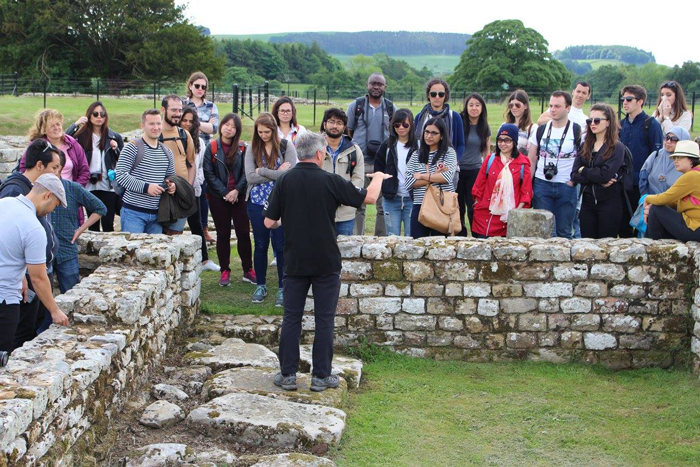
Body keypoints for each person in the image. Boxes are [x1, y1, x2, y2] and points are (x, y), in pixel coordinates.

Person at [263, 132, 388, 392]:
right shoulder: (331, 180)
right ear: (320, 154)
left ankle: (287, 374)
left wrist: (288, 217)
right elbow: (370, 198)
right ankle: (321, 375)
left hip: (295, 261)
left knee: (291, 318)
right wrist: (377, 178)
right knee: (324, 318)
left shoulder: (285, 180)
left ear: (299, 153)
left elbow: (269, 222)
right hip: (326, 261)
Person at [0, 140, 62, 348]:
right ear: (47, 195)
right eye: (55, 204)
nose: (53, 210)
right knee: (6, 355)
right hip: (6, 301)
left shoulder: (5, 203)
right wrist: (55, 310)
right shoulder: (34, 228)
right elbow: (38, 277)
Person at [42, 162, 106, 333]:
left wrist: (80, 230)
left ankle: (72, 331)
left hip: (66, 249)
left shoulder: (72, 188)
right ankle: (42, 332)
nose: (55, 171)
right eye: (52, 168)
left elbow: (100, 207)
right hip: (42, 253)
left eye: (57, 168)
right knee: (42, 300)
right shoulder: (38, 190)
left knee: (72, 295)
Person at [245, 113, 297, 306]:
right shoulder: (252, 148)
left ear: (274, 130)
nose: (264, 135)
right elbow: (250, 177)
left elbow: (289, 175)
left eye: (267, 132)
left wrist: (263, 171)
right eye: (260, 132)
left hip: (281, 202)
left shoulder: (286, 145)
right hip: (256, 202)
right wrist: (276, 173)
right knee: (260, 244)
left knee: (281, 245)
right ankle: (261, 284)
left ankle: (283, 287)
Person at [203, 113, 255, 287]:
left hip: (239, 197)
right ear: (221, 126)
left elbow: (247, 173)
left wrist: (237, 191)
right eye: (226, 124)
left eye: (233, 126)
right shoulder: (211, 147)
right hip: (219, 197)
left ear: (237, 130)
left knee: (243, 233)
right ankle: (225, 270)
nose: (228, 128)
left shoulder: (243, 148)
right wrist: (225, 192)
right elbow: (208, 174)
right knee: (223, 234)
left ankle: (248, 269)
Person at [347, 73, 396, 236]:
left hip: (382, 163)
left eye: (380, 84)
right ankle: (357, 239)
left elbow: (395, 132)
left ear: (385, 87)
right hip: (360, 161)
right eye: (373, 83)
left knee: (383, 205)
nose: (376, 87)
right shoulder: (357, 105)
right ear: (367, 85)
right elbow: (350, 131)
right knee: (358, 203)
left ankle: (380, 240)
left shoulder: (390, 108)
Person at [527, 91, 582, 239]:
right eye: (551, 106)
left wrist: (574, 181)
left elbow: (583, 159)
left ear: (568, 108)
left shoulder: (576, 131)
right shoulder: (541, 130)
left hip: (566, 185)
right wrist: (528, 184)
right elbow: (531, 158)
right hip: (542, 184)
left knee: (564, 231)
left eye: (557, 106)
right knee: (543, 232)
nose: (552, 109)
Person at [115, 109, 176, 234]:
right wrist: (146, 187)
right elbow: (120, 175)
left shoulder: (167, 152)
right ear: (142, 126)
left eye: (158, 123)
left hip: (157, 215)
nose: (156, 127)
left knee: (155, 253)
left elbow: (171, 176)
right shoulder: (132, 147)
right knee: (131, 251)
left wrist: (172, 186)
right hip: (133, 213)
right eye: (151, 124)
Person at [66, 101, 124, 232]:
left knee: (108, 220)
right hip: (89, 182)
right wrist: (75, 124)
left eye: (102, 114)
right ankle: (93, 248)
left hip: (107, 183)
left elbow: (122, 160)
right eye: (95, 114)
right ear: (89, 116)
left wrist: (115, 149)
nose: (99, 117)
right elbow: (64, 140)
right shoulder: (81, 136)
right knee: (93, 221)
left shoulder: (114, 136)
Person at [570, 104, 626, 239]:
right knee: (588, 245)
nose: (592, 124)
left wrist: (584, 170)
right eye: (590, 121)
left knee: (605, 245)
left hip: (609, 203)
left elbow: (604, 175)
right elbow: (574, 175)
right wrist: (597, 180)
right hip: (587, 203)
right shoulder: (585, 145)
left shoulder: (617, 147)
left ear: (608, 122)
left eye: (597, 120)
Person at [471, 124, 532, 238]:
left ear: (514, 141)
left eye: (507, 140)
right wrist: (478, 203)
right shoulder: (490, 159)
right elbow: (479, 185)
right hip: (485, 215)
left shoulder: (523, 163)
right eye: (500, 140)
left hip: (507, 217)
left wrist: (516, 214)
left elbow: (526, 191)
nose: (503, 144)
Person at [619, 85, 664, 237]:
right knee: (622, 225)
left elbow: (657, 156)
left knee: (642, 226)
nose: (625, 102)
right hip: (621, 184)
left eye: (629, 99)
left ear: (640, 101)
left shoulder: (651, 125)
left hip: (642, 185)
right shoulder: (620, 125)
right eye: (623, 99)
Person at [405, 117, 458, 239]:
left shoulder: (449, 153)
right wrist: (435, 176)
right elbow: (408, 182)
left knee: (440, 248)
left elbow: (447, 177)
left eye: (434, 133)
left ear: (442, 136)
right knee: (417, 246)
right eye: (427, 132)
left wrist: (422, 176)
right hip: (420, 205)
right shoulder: (416, 155)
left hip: (442, 205)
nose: (429, 136)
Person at [180, 107, 218, 272]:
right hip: (174, 189)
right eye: (184, 120)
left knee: (197, 224)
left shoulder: (200, 142)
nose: (187, 124)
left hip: (193, 188)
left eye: (191, 121)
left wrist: (197, 183)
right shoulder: (172, 138)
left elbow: (201, 166)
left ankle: (204, 260)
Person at [183, 71, 219, 244]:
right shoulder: (183, 103)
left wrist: (193, 122)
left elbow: (215, 128)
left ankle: (203, 228)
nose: (200, 89)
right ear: (190, 85)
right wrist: (203, 124)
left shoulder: (211, 106)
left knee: (203, 190)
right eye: (197, 85)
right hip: (183, 147)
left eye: (203, 87)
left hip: (203, 150)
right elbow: (178, 123)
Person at [320, 108, 365, 236]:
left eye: (339, 123)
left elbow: (358, 180)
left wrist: (342, 196)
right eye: (331, 122)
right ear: (325, 124)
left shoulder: (354, 150)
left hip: (345, 214)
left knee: (344, 253)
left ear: (344, 126)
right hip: (320, 212)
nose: (335, 126)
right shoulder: (315, 147)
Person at [644, 141, 700, 241]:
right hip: (695, 226)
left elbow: (665, 198)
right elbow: (673, 201)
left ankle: (651, 246)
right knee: (656, 207)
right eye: (674, 157)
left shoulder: (692, 176)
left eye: (680, 157)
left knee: (656, 209)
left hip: (695, 228)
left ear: (691, 159)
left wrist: (647, 198)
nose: (675, 161)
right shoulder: (696, 173)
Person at [375, 109, 418, 236]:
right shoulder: (386, 146)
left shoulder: (419, 146)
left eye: (405, 125)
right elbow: (378, 168)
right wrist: (384, 185)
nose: (401, 128)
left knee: (412, 237)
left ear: (412, 125)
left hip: (413, 198)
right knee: (392, 236)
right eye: (397, 124)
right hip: (391, 198)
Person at [21, 109, 90, 187]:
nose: (56, 128)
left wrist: (74, 189)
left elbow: (84, 171)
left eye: (58, 124)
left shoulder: (73, 144)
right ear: (44, 129)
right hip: (43, 193)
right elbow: (24, 168)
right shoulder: (36, 146)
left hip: (69, 192)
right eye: (52, 126)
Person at [159, 95, 196, 235]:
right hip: (161, 194)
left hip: (181, 195)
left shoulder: (184, 134)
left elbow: (191, 163)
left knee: (176, 236)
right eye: (174, 110)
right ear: (163, 109)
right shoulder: (155, 134)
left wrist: (188, 187)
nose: (178, 114)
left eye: (180, 110)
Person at [458, 93, 491, 235]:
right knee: (458, 206)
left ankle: (476, 235)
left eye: (477, 105)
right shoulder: (459, 122)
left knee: (473, 206)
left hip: (475, 171)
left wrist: (488, 171)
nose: (474, 108)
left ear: (482, 108)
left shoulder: (484, 126)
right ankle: (459, 235)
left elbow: (487, 152)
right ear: (466, 107)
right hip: (458, 170)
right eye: (471, 105)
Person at [640, 126, 691, 196]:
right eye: (667, 137)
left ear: (683, 141)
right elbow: (643, 177)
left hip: (673, 204)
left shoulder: (687, 162)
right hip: (649, 202)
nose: (668, 141)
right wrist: (644, 197)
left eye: (674, 139)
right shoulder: (656, 155)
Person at [504, 89, 538, 155]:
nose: (514, 108)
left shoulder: (533, 128)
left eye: (517, 105)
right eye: (511, 105)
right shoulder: (504, 126)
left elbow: (531, 153)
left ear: (526, 106)